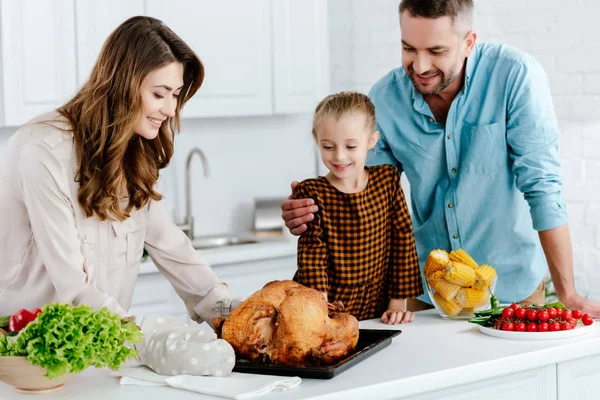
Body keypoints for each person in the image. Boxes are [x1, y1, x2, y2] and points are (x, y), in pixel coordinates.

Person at [281, 0, 600, 317]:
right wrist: (315, 209)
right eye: (409, 49)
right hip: (428, 294)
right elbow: (367, 200)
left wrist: (567, 293)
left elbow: (542, 187)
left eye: (436, 51)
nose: (420, 67)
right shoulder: (386, 99)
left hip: (512, 291)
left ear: (468, 43)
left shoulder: (514, 77)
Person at [0, 16, 239, 376]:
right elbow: (75, 288)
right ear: (122, 85)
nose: (170, 109)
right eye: (159, 94)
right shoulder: (43, 149)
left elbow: (171, 247)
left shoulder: (131, 151)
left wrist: (241, 317)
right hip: (27, 364)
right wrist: (153, 341)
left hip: (97, 360)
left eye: (175, 95)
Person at [293, 92, 422, 324]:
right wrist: (320, 309)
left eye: (351, 146)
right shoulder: (313, 192)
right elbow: (313, 254)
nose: (340, 156)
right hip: (330, 307)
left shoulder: (387, 180)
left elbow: (402, 239)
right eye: (328, 146)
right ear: (316, 139)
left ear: (372, 140)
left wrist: (397, 303)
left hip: (378, 305)